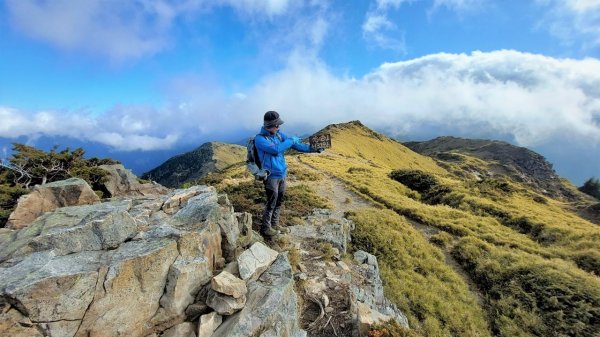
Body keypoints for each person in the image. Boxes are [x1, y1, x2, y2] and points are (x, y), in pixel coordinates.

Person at [255, 111, 321, 237]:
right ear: (270, 125)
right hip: (271, 176)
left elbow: (297, 146)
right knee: (271, 202)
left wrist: (314, 149)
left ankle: (275, 224)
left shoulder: (279, 135)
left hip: (282, 174)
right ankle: (266, 229)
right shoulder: (260, 139)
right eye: (277, 125)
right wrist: (291, 140)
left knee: (279, 201)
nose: (279, 127)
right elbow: (276, 149)